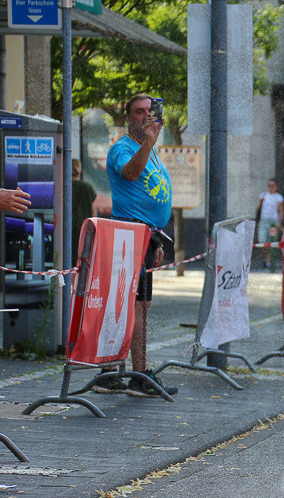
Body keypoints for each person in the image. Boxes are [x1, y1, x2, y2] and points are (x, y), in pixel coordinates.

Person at [95, 93, 177, 398]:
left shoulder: (149, 149)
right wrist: (149, 142)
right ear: (128, 117)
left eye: (149, 111)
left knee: (134, 305)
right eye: (139, 112)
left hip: (144, 236)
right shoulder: (123, 148)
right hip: (128, 235)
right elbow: (130, 173)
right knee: (134, 305)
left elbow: (151, 195)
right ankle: (137, 375)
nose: (145, 116)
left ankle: (113, 372)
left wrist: (156, 237)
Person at [254, 178, 284, 269]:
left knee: (272, 240)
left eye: (272, 185)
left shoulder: (278, 197)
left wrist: (279, 221)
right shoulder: (263, 195)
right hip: (264, 220)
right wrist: (261, 202)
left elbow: (281, 210)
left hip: (273, 221)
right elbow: (258, 209)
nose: (270, 187)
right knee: (262, 240)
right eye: (269, 185)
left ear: (276, 186)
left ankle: (270, 260)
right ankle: (267, 257)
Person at [71, 158, 96, 264]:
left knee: (69, 261)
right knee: (84, 260)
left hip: (69, 230)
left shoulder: (63, 187)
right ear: (79, 170)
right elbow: (94, 210)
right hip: (85, 229)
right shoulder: (87, 187)